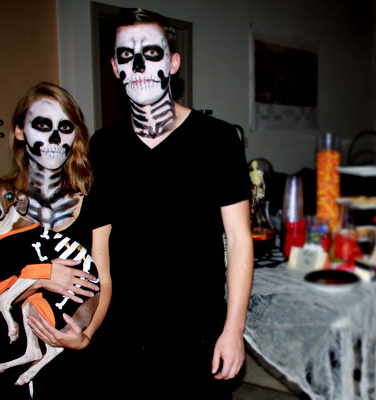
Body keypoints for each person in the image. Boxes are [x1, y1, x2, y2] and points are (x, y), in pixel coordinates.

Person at [89, 8, 253, 398]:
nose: (140, 65)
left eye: (153, 52)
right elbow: (99, 244)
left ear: (174, 62)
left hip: (196, 331)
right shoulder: (103, 146)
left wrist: (233, 330)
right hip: (124, 331)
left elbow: (240, 240)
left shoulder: (218, 140)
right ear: (115, 67)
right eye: (127, 55)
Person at [0, 82, 111, 399]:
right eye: (42, 125)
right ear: (19, 131)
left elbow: (105, 281)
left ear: (75, 135)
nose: (55, 138)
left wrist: (84, 336)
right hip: (13, 350)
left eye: (65, 126)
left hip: (76, 349)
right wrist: (43, 276)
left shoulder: (94, 200)